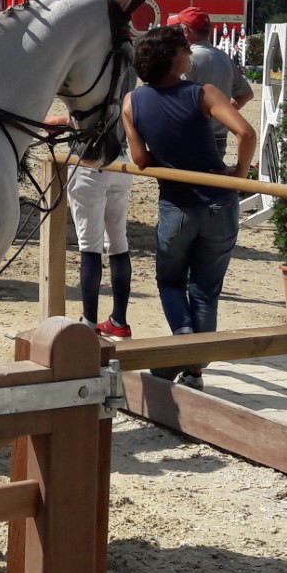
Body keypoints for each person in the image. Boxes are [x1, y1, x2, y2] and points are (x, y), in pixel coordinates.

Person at [123, 24, 256, 389]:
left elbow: (140, 159)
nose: (190, 55)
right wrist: (238, 176)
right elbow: (246, 133)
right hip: (219, 202)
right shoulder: (203, 93)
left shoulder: (132, 102)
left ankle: (183, 339)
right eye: (185, 49)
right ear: (172, 58)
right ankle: (193, 369)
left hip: (176, 204)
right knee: (205, 290)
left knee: (170, 281)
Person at [47, 100, 134, 339]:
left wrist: (64, 122)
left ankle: (89, 321)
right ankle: (119, 320)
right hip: (121, 159)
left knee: (90, 246)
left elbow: (90, 116)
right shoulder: (126, 82)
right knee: (118, 242)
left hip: (90, 160)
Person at [171, 6, 254, 160]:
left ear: (185, 31)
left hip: (192, 136)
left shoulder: (188, 60)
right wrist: (222, 113)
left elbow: (179, 102)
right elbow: (246, 94)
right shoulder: (224, 58)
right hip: (219, 138)